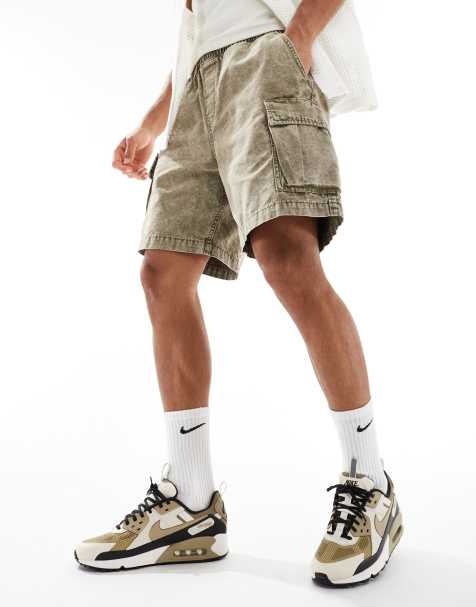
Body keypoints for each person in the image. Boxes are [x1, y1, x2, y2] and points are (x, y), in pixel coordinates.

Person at [75, 0, 403, 587]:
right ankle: (192, 503)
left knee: (287, 257)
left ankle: (370, 481)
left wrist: (298, 37)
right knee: (162, 272)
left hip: (264, 57)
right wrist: (153, 122)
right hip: (194, 87)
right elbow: (204, 20)